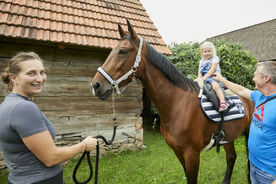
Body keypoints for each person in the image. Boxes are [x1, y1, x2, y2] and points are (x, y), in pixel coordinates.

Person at [0, 52, 98, 184]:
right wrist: (84, 145)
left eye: (42, 72)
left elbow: (27, 148)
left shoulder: (7, 104)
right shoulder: (23, 108)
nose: (40, 79)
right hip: (41, 180)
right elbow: (51, 158)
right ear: (14, 78)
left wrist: (60, 154)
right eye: (31, 73)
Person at [213, 61, 276, 184]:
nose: (253, 78)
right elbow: (240, 90)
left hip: (269, 175)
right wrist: (221, 79)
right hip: (253, 166)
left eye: (256, 75)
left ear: (266, 78)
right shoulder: (260, 96)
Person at [198, 41, 229, 112]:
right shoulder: (201, 61)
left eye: (209, 51)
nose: (207, 53)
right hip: (204, 78)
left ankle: (223, 102)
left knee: (216, 86)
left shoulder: (215, 59)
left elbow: (212, 69)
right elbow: (200, 71)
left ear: (213, 51)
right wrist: (199, 78)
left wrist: (204, 78)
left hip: (213, 77)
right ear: (202, 53)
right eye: (205, 51)